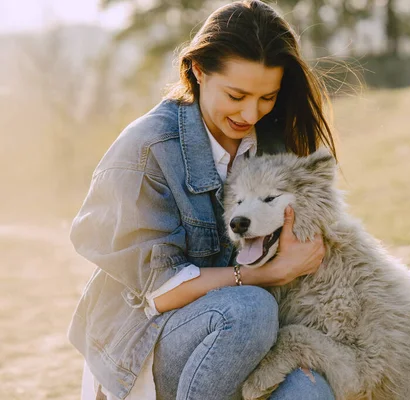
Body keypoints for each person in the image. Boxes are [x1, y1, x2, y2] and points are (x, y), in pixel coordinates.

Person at [68, 1, 339, 399]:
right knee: (249, 310)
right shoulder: (147, 149)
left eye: (267, 98)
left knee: (310, 390)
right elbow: (160, 291)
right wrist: (269, 273)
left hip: (248, 340)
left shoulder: (274, 143)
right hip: (152, 341)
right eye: (237, 94)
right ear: (198, 70)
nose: (251, 112)